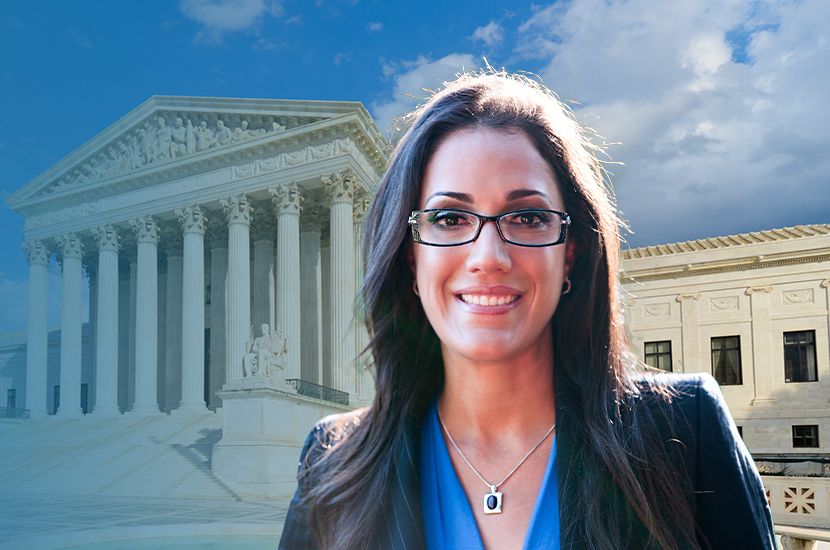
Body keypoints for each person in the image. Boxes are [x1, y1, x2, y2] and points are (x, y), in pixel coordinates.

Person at [279, 71, 775, 550]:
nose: (488, 257)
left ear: (572, 252)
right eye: (450, 218)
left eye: (528, 217)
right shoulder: (330, 461)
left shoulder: (684, 432)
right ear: (411, 255)